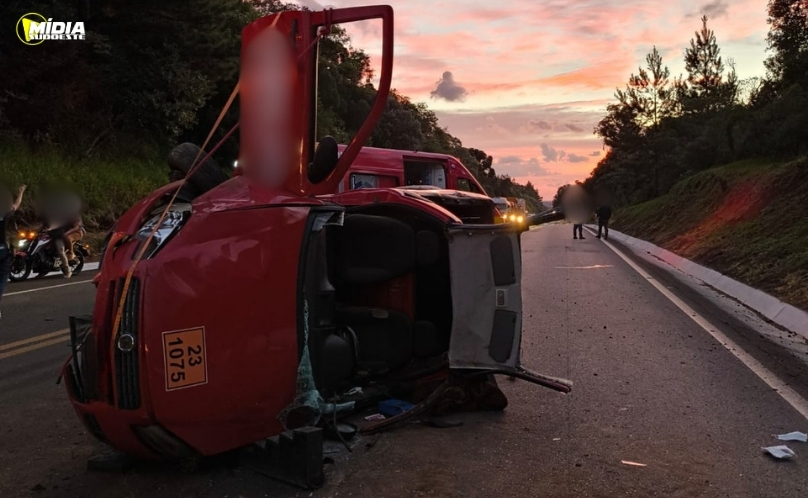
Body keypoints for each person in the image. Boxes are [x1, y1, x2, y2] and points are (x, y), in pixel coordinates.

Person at [1, 184, 27, 317]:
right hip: (4, 250)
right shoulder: (8, 212)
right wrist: (21, 192)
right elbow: (12, 234)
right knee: (2, 278)